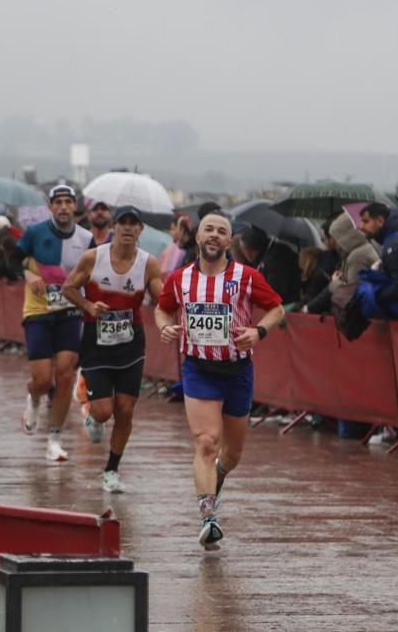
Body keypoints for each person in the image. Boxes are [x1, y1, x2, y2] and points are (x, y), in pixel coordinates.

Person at [154, 211, 285, 550]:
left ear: (230, 241)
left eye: (221, 231)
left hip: (238, 370)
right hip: (198, 368)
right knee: (206, 442)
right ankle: (208, 517)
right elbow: (162, 308)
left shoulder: (247, 276)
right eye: (208, 229)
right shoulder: (179, 278)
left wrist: (258, 332)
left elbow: (277, 310)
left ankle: (218, 476)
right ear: (197, 237)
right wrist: (164, 326)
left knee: (232, 454)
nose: (214, 235)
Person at [62, 206, 163, 492]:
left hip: (132, 343)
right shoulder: (94, 258)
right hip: (97, 342)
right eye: (123, 223)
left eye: (134, 224)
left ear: (141, 230)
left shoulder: (148, 263)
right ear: (114, 227)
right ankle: (92, 413)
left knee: (126, 410)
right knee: (105, 411)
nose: (128, 228)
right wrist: (88, 305)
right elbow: (69, 288)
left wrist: (171, 311)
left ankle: (111, 470)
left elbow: (162, 299)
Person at [14, 184, 95, 462]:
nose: (62, 207)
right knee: (42, 379)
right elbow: (11, 260)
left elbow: (93, 273)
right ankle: (34, 398)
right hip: (38, 311)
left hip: (70, 311)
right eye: (57, 202)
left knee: (64, 375)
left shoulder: (86, 238)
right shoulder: (35, 233)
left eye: (67, 202)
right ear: (50, 207)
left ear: (75, 207)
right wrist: (27, 274)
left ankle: (55, 439)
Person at [359, 202, 398, 319]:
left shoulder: (393, 246)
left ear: (380, 221)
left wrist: (374, 296)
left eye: (366, 221)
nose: (361, 226)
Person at [238, 226, 302, 305]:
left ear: (249, 250)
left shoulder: (275, 259)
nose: (243, 253)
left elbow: (275, 290)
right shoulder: (266, 256)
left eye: (242, 249)